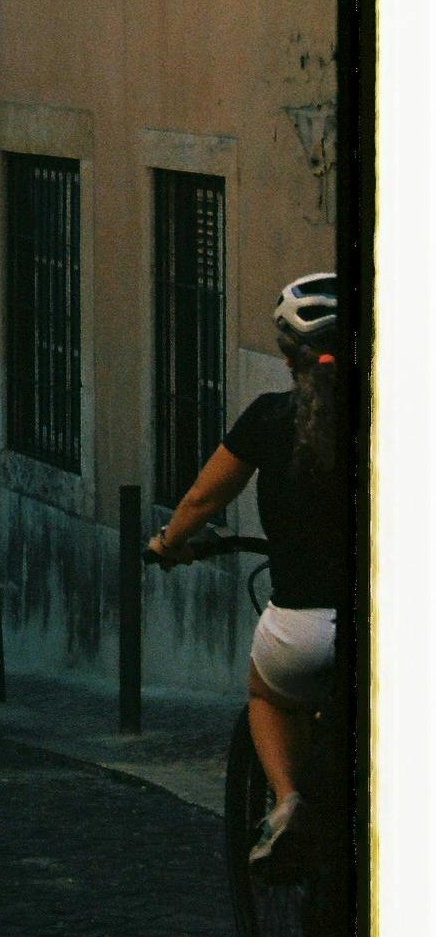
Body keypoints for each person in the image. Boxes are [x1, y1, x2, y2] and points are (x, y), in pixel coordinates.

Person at [151, 270, 345, 869]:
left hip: (301, 631)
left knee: (265, 693)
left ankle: (287, 804)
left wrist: (168, 543)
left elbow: (201, 503)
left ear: (289, 359)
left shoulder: (266, 419)